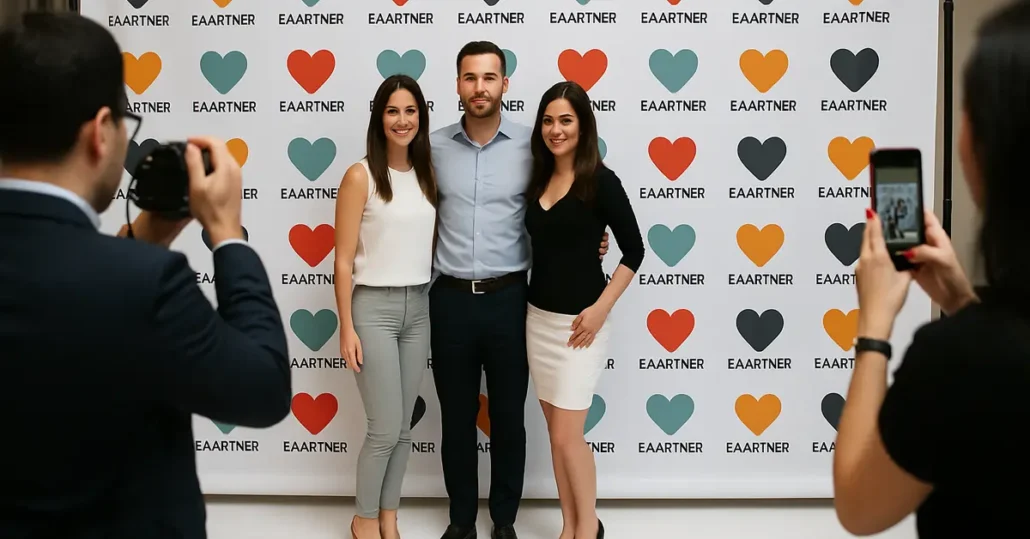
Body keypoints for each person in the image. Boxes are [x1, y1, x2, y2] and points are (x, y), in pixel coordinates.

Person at [0, 12, 291, 539]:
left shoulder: (135, 275)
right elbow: (264, 388)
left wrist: (148, 236)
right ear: (100, 134)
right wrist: (227, 234)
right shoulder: (148, 284)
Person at [832, 2, 1030, 537]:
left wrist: (873, 327)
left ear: (987, 145)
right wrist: (967, 306)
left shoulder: (963, 359)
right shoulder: (981, 349)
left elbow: (859, 504)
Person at [428, 41, 609, 539]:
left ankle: (504, 520)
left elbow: (570, 202)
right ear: (458, 84)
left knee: (510, 418)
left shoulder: (535, 147)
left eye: (490, 78)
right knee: (457, 419)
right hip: (449, 301)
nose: (479, 87)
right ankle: (461, 522)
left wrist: (595, 237)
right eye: (470, 77)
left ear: (505, 84)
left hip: (512, 302)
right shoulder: (434, 146)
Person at [523, 81, 644, 539]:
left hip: (581, 327)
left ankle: (586, 526)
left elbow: (634, 250)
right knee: (558, 437)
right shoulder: (538, 177)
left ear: (583, 124)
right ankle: (570, 525)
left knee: (566, 436)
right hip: (538, 322)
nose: (556, 130)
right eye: (548, 120)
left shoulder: (601, 180)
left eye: (566, 120)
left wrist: (599, 309)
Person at [333, 74, 438, 539]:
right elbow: (340, 261)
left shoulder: (429, 171)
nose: (402, 120)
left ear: (421, 116)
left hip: (418, 308)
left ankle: (389, 517)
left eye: (410, 111)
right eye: (392, 111)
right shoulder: (360, 175)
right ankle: (363, 518)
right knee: (383, 426)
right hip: (371, 309)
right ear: (379, 117)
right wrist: (346, 328)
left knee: (404, 428)